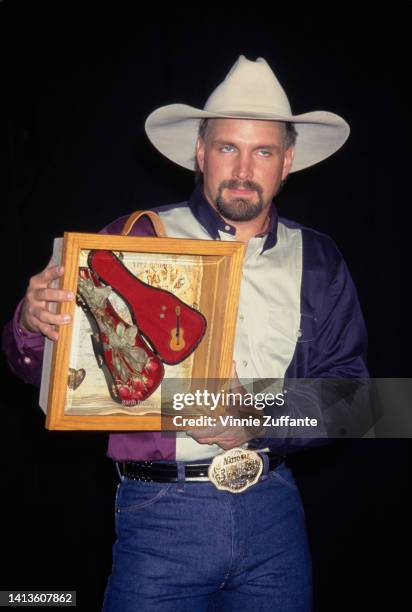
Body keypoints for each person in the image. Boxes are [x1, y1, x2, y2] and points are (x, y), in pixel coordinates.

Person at [2, 55, 368, 611]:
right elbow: (43, 369)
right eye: (227, 147)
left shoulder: (318, 258)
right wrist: (30, 325)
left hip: (274, 511)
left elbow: (360, 401)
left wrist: (259, 418)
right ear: (201, 153)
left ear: (287, 161)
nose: (244, 168)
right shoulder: (132, 239)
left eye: (263, 150)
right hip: (160, 516)